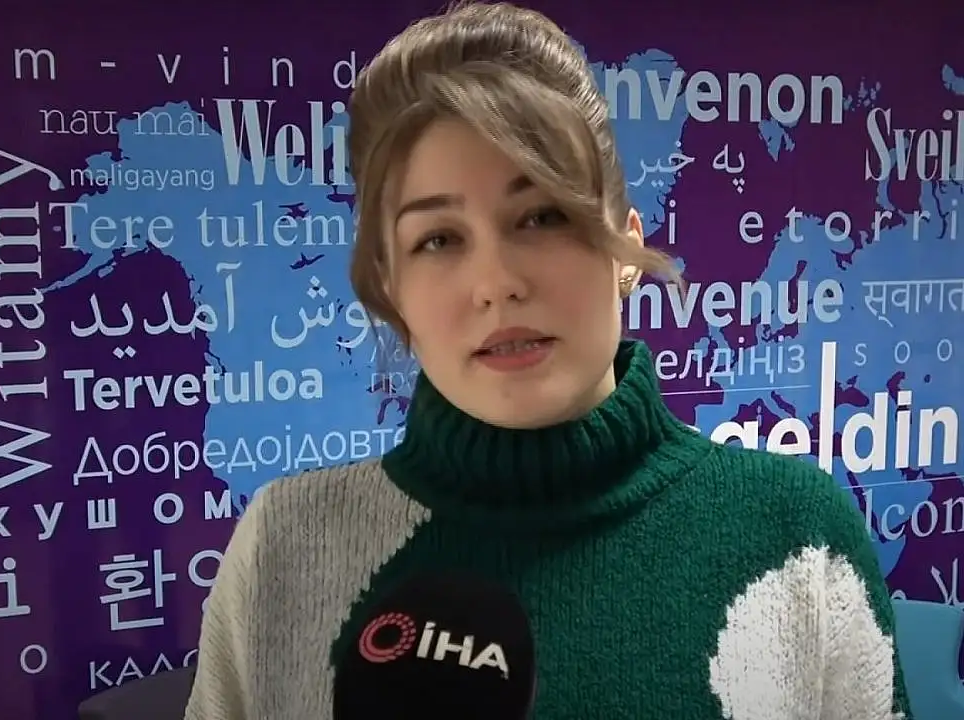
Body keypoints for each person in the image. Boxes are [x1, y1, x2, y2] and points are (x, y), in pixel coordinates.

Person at [182, 3, 914, 718]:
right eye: (438, 239)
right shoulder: (282, 550)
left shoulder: (796, 532)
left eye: (542, 216)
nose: (496, 282)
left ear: (625, 249)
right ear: (390, 288)